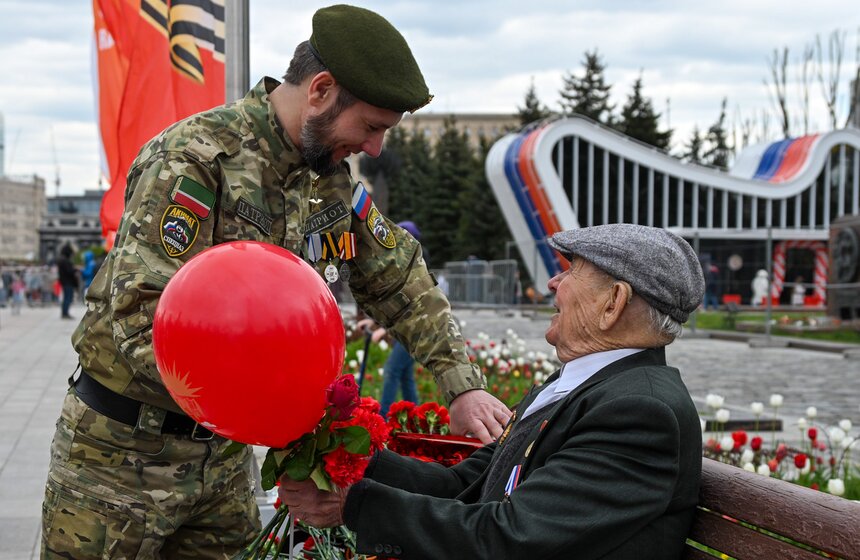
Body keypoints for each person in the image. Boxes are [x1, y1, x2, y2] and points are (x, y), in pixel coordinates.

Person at [41, 5, 509, 559]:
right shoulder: (197, 157)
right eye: (371, 126)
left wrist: (463, 382)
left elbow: (399, 278)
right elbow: (143, 321)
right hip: (118, 463)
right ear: (321, 89)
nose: (376, 148)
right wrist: (288, 404)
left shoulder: (331, 185)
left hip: (221, 467)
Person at [280, 224, 705, 560]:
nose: (555, 282)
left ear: (613, 302)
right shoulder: (584, 386)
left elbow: (512, 538)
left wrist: (352, 505)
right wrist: (351, 459)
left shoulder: (638, 410)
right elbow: (465, 483)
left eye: (573, 269)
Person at [56, 245, 79, 319]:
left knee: (66, 298)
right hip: (68, 282)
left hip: (65, 282)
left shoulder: (61, 260)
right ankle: (65, 314)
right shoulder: (65, 261)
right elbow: (69, 271)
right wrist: (75, 269)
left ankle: (64, 313)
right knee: (68, 298)